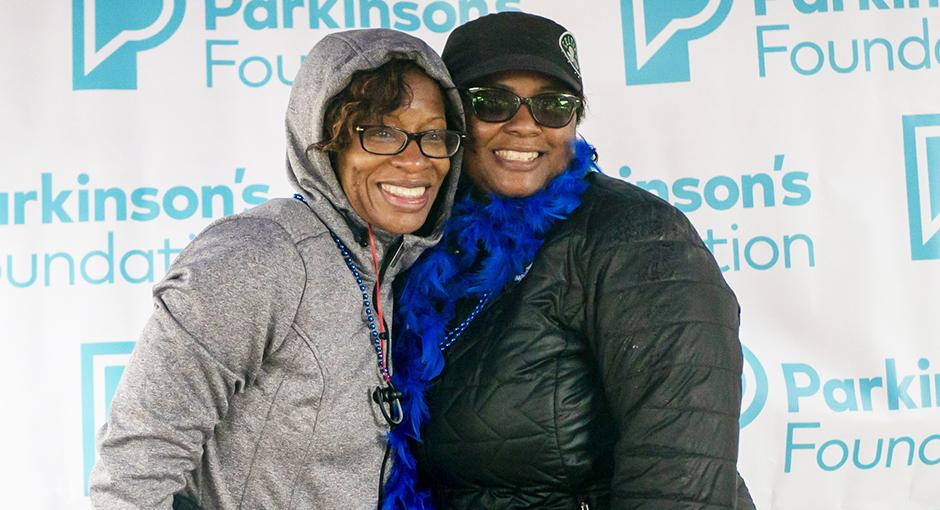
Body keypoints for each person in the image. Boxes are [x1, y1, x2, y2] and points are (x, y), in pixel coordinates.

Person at [384, 12, 756, 510]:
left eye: (553, 106)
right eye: (491, 103)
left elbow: (680, 470)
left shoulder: (638, 238)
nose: (523, 125)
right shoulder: (418, 242)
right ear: (453, 121)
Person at [89, 29, 465, 509]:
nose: (415, 161)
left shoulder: (398, 267)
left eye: (433, 135)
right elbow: (134, 473)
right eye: (382, 132)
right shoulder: (259, 255)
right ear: (324, 142)